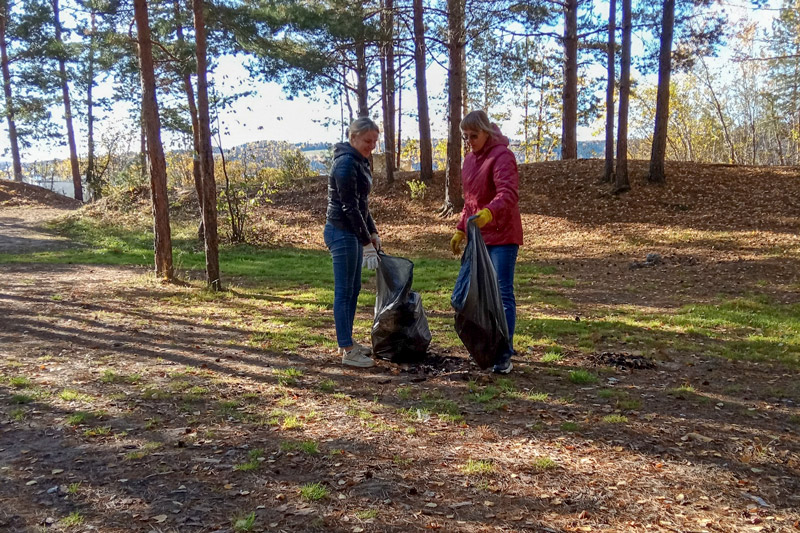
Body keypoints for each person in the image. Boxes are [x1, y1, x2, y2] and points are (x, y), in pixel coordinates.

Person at [450, 110, 523, 374]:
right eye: (465, 137)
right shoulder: (469, 160)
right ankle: (484, 347)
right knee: (473, 296)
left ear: (486, 132)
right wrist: (461, 229)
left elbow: (508, 193)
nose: (470, 141)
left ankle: (504, 353)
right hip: (478, 236)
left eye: (474, 135)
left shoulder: (502, 156)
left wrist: (490, 213)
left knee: (502, 293)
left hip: (502, 234)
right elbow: (469, 202)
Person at [324, 117, 382, 368]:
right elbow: (349, 207)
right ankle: (347, 349)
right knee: (344, 290)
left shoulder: (359, 161)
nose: (372, 146)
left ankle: (347, 341)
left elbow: (362, 204)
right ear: (353, 137)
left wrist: (373, 232)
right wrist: (365, 241)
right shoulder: (346, 163)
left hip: (352, 232)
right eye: (368, 141)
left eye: (375, 141)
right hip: (341, 232)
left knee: (354, 288)